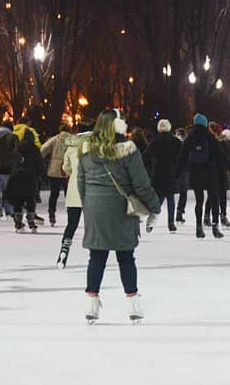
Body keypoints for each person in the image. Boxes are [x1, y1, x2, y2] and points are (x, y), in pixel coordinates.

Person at [77, 110, 161, 323]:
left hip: (95, 208)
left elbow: (81, 183)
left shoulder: (86, 149)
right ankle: (133, 305)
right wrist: (155, 207)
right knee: (125, 257)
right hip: (121, 209)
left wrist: (89, 206)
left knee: (96, 257)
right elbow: (141, 184)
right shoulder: (128, 150)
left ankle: (91, 305)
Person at [178, 114, 228, 239]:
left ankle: (199, 227)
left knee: (199, 201)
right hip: (210, 173)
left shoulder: (190, 138)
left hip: (195, 173)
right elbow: (221, 156)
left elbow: (182, 157)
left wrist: (177, 173)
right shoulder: (210, 137)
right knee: (214, 199)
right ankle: (215, 227)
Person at [58, 121, 93, 268]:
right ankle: (95, 253)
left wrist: (73, 173)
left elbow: (66, 167)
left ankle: (64, 248)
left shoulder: (72, 146)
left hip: (74, 189)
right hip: (93, 189)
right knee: (93, 224)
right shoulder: (96, 145)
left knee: (72, 223)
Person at [143, 120, 181, 233]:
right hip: (171, 173)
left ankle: (151, 222)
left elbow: (145, 156)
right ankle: (171, 223)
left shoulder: (155, 141)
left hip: (158, 173)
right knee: (170, 199)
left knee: (158, 200)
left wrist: (151, 166)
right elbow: (182, 156)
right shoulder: (176, 141)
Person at [5, 128, 43, 233]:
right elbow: (39, 163)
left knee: (18, 200)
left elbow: (12, 161)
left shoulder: (17, 147)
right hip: (30, 176)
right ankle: (31, 221)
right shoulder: (34, 148)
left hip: (17, 176)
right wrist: (43, 175)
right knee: (30, 199)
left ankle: (18, 224)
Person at [40, 124, 72, 227]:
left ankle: (52, 213)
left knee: (54, 193)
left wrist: (41, 160)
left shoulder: (54, 139)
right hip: (69, 170)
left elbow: (43, 149)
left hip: (55, 169)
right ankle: (71, 214)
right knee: (69, 194)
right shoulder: (73, 140)